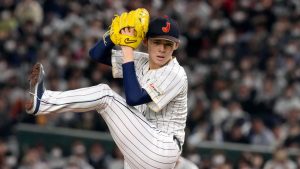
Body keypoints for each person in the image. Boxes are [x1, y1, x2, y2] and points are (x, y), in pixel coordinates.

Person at [25, 13, 188, 169]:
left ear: (176, 46)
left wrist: (127, 49)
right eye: (157, 42)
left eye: (168, 44)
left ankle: (43, 101)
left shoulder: (175, 73)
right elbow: (96, 54)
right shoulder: (141, 61)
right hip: (139, 148)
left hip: (162, 149)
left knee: (106, 95)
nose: (162, 49)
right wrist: (115, 32)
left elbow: (134, 98)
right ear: (146, 41)